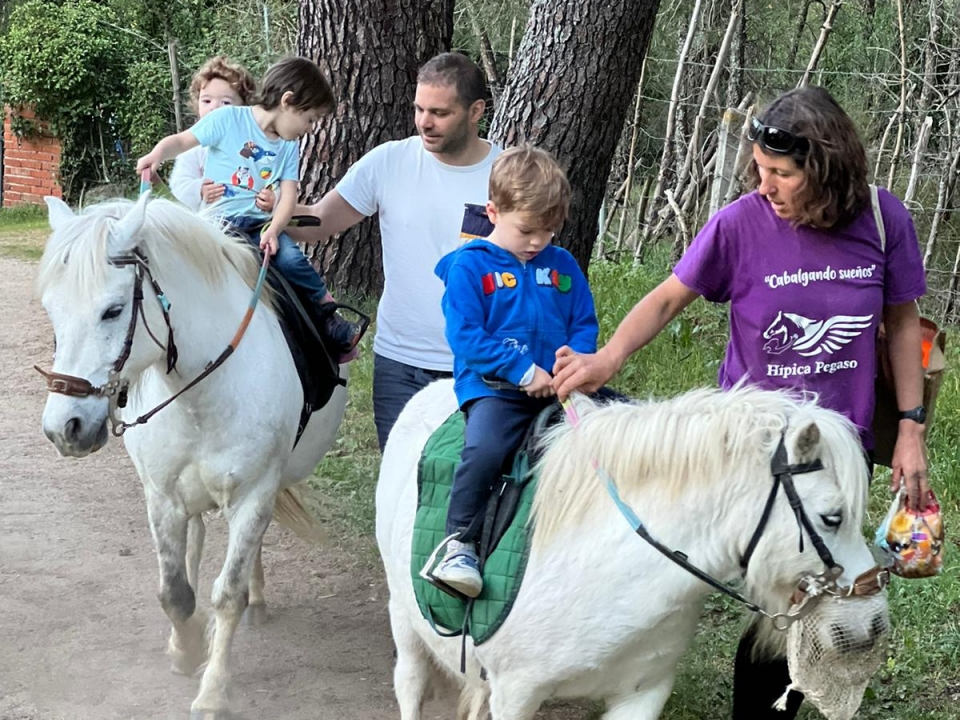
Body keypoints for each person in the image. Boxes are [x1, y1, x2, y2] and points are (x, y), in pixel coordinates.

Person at [552, 85, 930, 720]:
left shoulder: (884, 222)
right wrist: (607, 360)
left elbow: (904, 323)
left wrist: (912, 429)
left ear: (827, 170)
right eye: (760, 169)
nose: (766, 185)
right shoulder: (739, 224)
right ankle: (601, 655)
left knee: (802, 598)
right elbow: (671, 296)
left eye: (782, 173)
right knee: (708, 575)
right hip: (753, 448)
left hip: (839, 452)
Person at [302, 52, 502, 449]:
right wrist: (267, 214)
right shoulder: (390, 160)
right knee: (400, 493)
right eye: (419, 108)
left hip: (479, 366)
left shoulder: (507, 174)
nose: (424, 122)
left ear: (476, 110)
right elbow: (320, 221)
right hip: (399, 363)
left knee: (463, 492)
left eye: (439, 112)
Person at [429, 145, 599, 597]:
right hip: (495, 390)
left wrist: (575, 361)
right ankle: (459, 543)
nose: (538, 242)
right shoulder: (470, 267)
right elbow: (465, 335)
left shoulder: (562, 265)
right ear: (493, 211)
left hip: (560, 389)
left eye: (548, 231)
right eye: (527, 229)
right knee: (485, 449)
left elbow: (583, 322)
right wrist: (522, 371)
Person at [136, 56, 360, 361]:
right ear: (288, 101)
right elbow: (182, 140)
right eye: (309, 119)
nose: (309, 128)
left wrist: (275, 228)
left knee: (292, 261)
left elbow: (289, 195)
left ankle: (328, 318)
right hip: (216, 226)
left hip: (259, 225)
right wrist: (157, 154)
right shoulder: (226, 120)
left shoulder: (288, 146)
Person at [168, 56, 269, 213]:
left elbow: (273, 175)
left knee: (281, 238)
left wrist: (272, 197)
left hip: (253, 221)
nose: (214, 108)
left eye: (225, 103)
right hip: (210, 226)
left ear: (244, 107)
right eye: (206, 101)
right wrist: (199, 190)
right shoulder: (194, 146)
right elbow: (178, 185)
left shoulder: (252, 144)